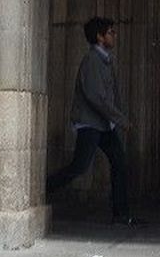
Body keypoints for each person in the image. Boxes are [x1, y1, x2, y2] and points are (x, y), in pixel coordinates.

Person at [47, 16, 142, 225]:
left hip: (103, 125)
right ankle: (43, 189)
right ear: (100, 37)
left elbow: (110, 95)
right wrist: (121, 120)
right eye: (110, 33)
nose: (114, 36)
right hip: (90, 124)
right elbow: (96, 97)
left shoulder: (105, 60)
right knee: (79, 167)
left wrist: (116, 119)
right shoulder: (92, 61)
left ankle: (121, 215)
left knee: (119, 162)